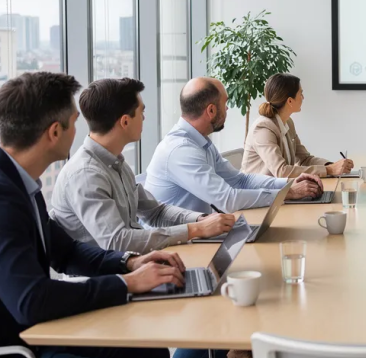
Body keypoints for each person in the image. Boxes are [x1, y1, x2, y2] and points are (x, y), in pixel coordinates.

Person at [0, 72, 186, 358]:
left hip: (29, 335)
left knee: (153, 355)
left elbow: (67, 252)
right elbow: (32, 301)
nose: (80, 131)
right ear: (54, 132)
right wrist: (127, 283)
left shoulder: (16, 182)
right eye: (75, 122)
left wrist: (130, 262)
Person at [51, 78, 237, 253]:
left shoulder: (117, 163)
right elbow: (118, 241)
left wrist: (201, 220)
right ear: (125, 121)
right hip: (107, 279)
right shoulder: (86, 175)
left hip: (134, 265)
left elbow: (155, 212)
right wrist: (195, 229)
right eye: (142, 112)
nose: (144, 119)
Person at [146, 77, 323, 213]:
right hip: (174, 247)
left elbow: (240, 180)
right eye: (225, 103)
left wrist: (286, 184)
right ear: (211, 110)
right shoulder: (181, 150)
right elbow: (228, 199)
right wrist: (288, 193)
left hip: (197, 234)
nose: (228, 108)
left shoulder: (200, 142)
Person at [240, 74, 353, 178]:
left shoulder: (288, 122)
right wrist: (328, 170)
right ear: (290, 101)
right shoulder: (263, 129)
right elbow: (281, 171)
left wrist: (332, 166)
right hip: (258, 194)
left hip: (279, 189)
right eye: (300, 94)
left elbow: (304, 159)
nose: (303, 98)